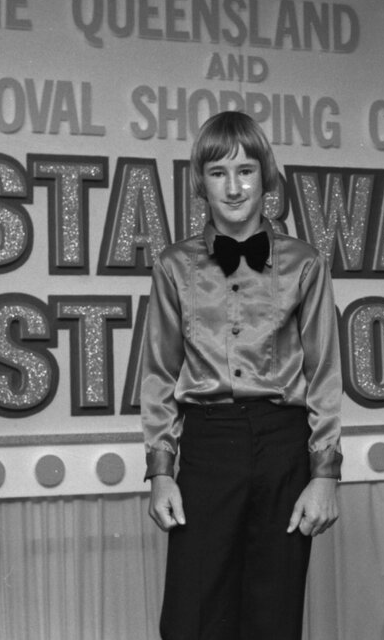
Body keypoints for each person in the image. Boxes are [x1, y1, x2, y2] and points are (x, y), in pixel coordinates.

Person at [142, 110, 343, 639]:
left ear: (266, 177)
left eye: (246, 171)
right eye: (218, 173)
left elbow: (323, 373)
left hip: (284, 445)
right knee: (192, 619)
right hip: (209, 443)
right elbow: (159, 372)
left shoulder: (306, 263)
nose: (233, 188)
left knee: (273, 616)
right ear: (200, 182)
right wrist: (162, 469)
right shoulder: (172, 266)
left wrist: (324, 476)